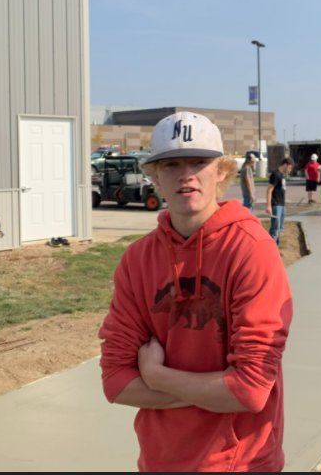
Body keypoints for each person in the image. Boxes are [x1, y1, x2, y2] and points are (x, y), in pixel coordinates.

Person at [99, 112, 293, 472]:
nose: (186, 173)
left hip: (240, 463)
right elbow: (116, 382)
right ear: (153, 174)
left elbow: (250, 390)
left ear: (221, 171)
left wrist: (157, 378)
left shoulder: (251, 249)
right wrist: (211, 393)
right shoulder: (137, 259)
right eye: (171, 163)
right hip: (159, 461)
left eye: (199, 162)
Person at [267, 158, 294, 246]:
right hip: (276, 205)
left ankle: (276, 248)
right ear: (285, 165)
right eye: (289, 168)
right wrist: (269, 206)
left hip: (282, 204)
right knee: (275, 229)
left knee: (280, 228)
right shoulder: (275, 175)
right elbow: (269, 190)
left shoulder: (282, 175)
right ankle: (270, 249)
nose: (289, 170)